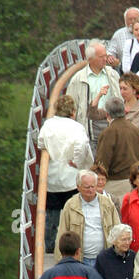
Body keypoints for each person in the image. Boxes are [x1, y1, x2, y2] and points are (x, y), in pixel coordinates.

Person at [37, 94, 95, 252]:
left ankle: (48, 249)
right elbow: (82, 145)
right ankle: (75, 249)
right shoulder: (77, 127)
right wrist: (76, 160)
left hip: (51, 179)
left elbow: (40, 142)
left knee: (51, 218)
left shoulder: (48, 125)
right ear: (73, 111)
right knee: (74, 217)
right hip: (71, 179)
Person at [53, 170, 120, 272]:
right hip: (78, 260)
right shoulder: (70, 205)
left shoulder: (107, 204)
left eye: (93, 186)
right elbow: (62, 233)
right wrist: (60, 261)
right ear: (78, 187)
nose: (91, 190)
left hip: (103, 259)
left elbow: (117, 230)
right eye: (87, 187)